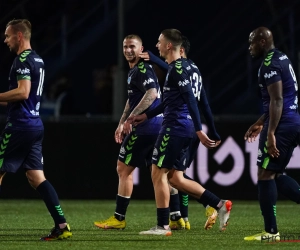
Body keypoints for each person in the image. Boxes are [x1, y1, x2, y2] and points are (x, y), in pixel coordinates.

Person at [129, 29, 232, 236]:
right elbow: (201, 101)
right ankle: (219, 204)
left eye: (159, 42)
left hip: (174, 127)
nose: (156, 45)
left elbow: (192, 101)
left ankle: (162, 226)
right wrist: (212, 129)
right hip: (185, 129)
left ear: (169, 45)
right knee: (176, 178)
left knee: (157, 173)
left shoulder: (175, 69)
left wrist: (201, 129)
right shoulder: (193, 68)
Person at [1, 19, 72, 240]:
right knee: (36, 177)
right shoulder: (37, 59)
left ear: (19, 36)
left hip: (19, 125)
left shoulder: (21, 60)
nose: (5, 40)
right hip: (34, 125)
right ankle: (62, 226)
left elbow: (22, 92)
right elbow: (24, 97)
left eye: (8, 36)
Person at [93, 34, 162, 230]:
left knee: (123, 169)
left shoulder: (141, 69)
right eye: (125, 47)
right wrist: (121, 122)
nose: (128, 50)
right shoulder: (135, 71)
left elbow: (152, 94)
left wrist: (130, 119)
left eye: (132, 46)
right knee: (161, 174)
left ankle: (119, 218)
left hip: (146, 128)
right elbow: (133, 99)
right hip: (158, 127)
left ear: (141, 49)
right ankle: (176, 217)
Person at [244, 27, 300, 241]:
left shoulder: (269, 64)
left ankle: (271, 232)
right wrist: (260, 122)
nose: (249, 48)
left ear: (261, 41)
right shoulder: (282, 57)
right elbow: (280, 98)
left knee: (265, 175)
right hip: (293, 120)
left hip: (282, 124)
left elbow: (277, 100)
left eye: (251, 43)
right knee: (275, 174)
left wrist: (271, 133)